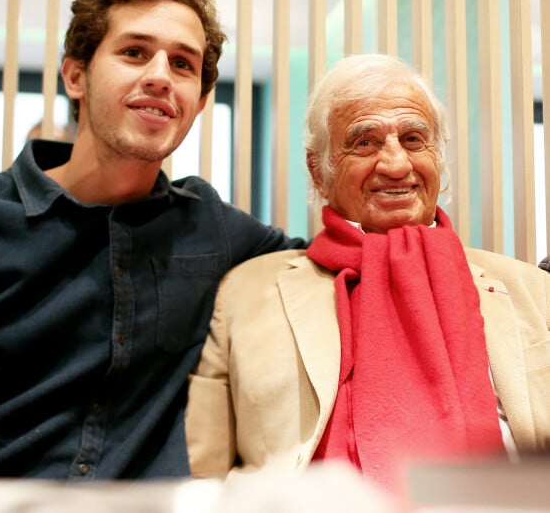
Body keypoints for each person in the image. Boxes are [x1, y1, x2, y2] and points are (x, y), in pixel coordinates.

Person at [0, 0, 305, 480]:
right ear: (75, 75)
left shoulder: (212, 229)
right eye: (133, 53)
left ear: (197, 103)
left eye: (182, 65)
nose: (158, 77)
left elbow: (337, 262)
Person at [185, 53, 550, 495]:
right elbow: (200, 474)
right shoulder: (247, 293)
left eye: (415, 139)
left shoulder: (532, 290)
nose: (396, 165)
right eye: (364, 142)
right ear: (319, 171)